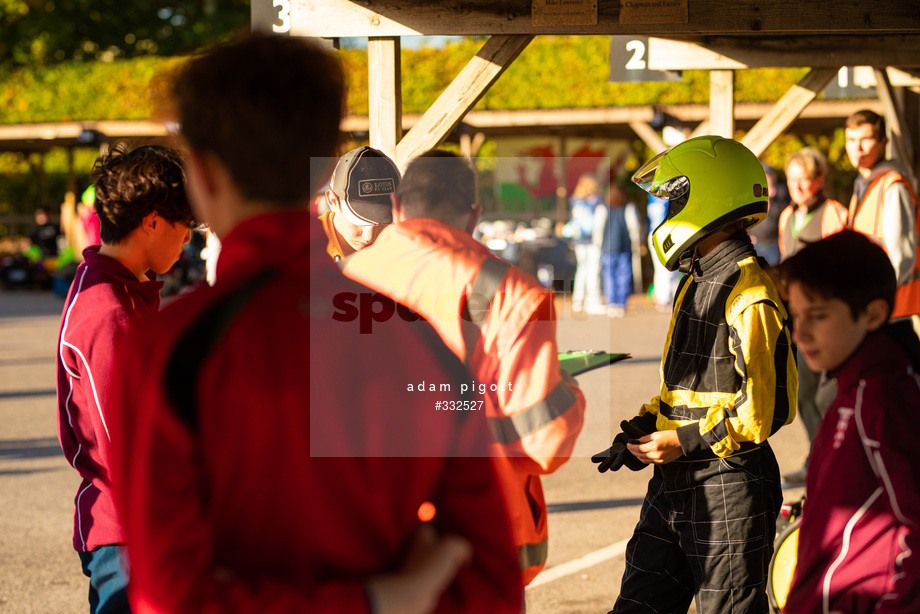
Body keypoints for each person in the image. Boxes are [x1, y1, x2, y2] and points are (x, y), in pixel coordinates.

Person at [110, 34, 521, 614]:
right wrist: (392, 596)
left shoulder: (167, 347)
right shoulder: (417, 339)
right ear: (327, 169)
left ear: (200, 173)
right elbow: (493, 587)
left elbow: (170, 596)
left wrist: (373, 602)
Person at [343, 150, 586, 591]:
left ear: (397, 208)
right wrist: (566, 388)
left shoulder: (344, 280)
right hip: (473, 543)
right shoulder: (513, 293)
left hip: (365, 535)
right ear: (474, 215)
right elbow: (541, 442)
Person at [592, 135, 797, 613]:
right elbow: (683, 387)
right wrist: (643, 429)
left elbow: (763, 410)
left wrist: (684, 442)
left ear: (707, 198)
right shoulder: (696, 281)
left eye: (675, 199)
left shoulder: (751, 292)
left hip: (731, 485)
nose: (667, 214)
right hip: (674, 480)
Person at [55, 143, 194, 613]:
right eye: (186, 228)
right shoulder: (108, 312)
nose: (188, 241)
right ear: (153, 221)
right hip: (129, 532)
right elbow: (126, 448)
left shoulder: (119, 288)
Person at [779, 230, 920, 614]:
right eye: (796, 315)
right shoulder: (850, 387)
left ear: (872, 314)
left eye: (818, 316)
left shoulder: (884, 396)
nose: (800, 332)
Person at [777, 146, 849, 485]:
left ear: (818, 180)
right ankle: (817, 457)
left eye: (804, 179)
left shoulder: (834, 213)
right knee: (803, 393)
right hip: (798, 320)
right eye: (793, 180)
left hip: (828, 319)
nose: (798, 186)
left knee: (828, 395)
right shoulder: (787, 216)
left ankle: (837, 461)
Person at [844, 109, 920, 363]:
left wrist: (874, 301)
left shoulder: (892, 186)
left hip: (892, 312)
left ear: (883, 143)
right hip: (875, 308)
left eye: (866, 140)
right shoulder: (864, 185)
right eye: (851, 140)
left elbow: (902, 257)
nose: (859, 148)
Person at [318, 145, 400, 261]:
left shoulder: (404, 249)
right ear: (333, 201)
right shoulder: (304, 251)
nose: (369, 236)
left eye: (382, 223)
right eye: (359, 220)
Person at [563, 173, 606, 314]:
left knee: (581, 269)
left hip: (578, 239)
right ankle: (592, 300)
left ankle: (578, 300)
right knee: (593, 270)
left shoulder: (575, 200)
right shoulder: (595, 201)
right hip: (592, 239)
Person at [600, 182, 639, 317]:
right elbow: (634, 227)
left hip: (607, 248)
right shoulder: (628, 207)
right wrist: (637, 243)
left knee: (609, 276)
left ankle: (611, 303)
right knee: (623, 276)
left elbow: (598, 229)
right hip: (624, 247)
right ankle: (621, 303)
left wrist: (597, 245)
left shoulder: (603, 208)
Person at [749, 163, 788, 266]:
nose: (768, 178)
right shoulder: (758, 192)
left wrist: (772, 199)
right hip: (758, 243)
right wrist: (750, 233)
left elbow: (782, 213)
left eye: (770, 175)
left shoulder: (781, 191)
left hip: (774, 243)